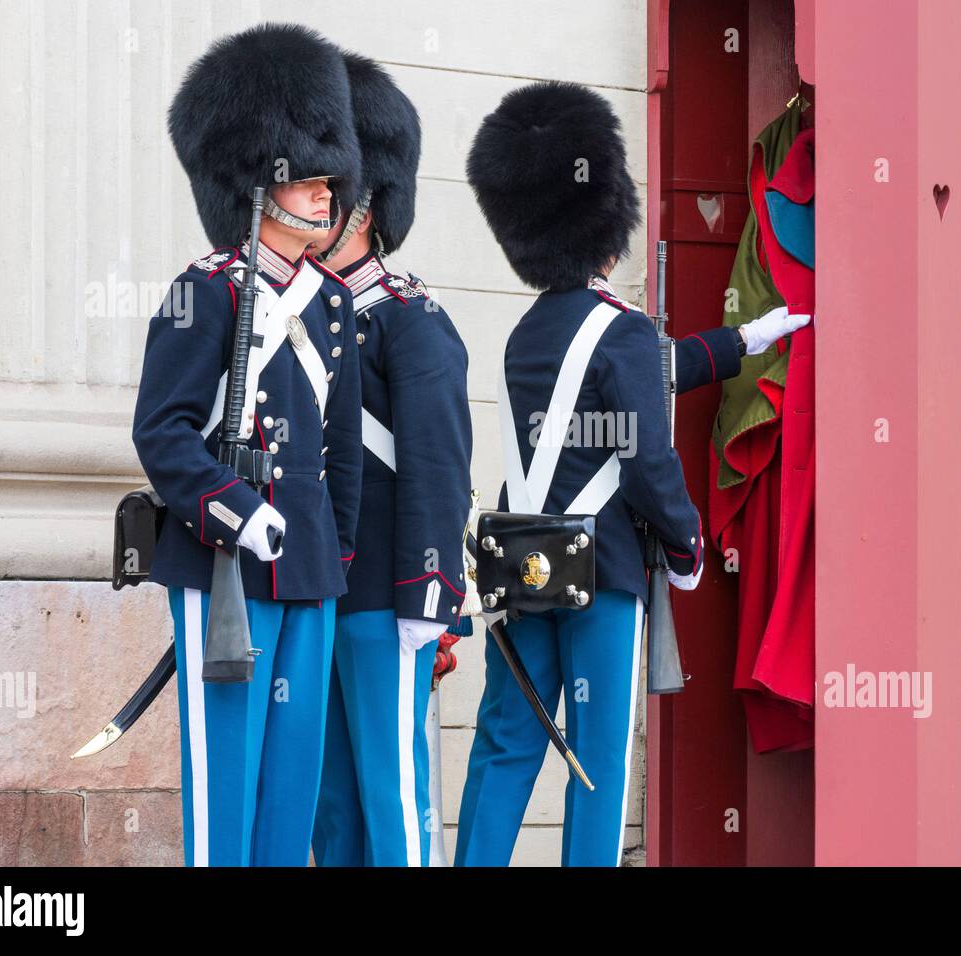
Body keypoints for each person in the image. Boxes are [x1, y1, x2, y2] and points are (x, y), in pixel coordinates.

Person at [456, 81, 805, 866]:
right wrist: (686, 546)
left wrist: (742, 341)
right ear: (607, 234)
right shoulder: (621, 332)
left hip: (525, 565)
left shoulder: (531, 333)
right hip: (602, 573)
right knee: (598, 764)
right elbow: (647, 454)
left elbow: (642, 377)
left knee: (508, 744)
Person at [131, 22, 363, 867]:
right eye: (305, 177)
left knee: (289, 797)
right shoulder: (205, 292)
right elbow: (160, 430)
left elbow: (337, 448)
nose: (324, 190)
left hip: (307, 569)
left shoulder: (332, 303)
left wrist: (336, 552)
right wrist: (235, 513)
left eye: (326, 175)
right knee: (224, 795)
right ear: (256, 184)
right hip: (224, 563)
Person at [309, 52, 474, 867]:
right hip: (317, 593)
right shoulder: (292, 321)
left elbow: (438, 470)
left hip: (384, 597)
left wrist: (429, 597)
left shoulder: (412, 320)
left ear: (363, 206)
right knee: (329, 810)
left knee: (392, 798)